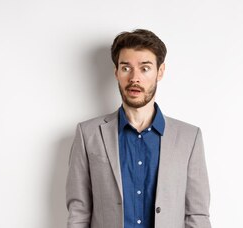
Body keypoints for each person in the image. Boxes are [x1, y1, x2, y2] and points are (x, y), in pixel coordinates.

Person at [66, 29, 211, 228]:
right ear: (116, 72)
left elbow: (197, 215)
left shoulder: (189, 138)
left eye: (145, 68)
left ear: (160, 72)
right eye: (126, 68)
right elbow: (79, 212)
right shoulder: (88, 134)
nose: (135, 78)